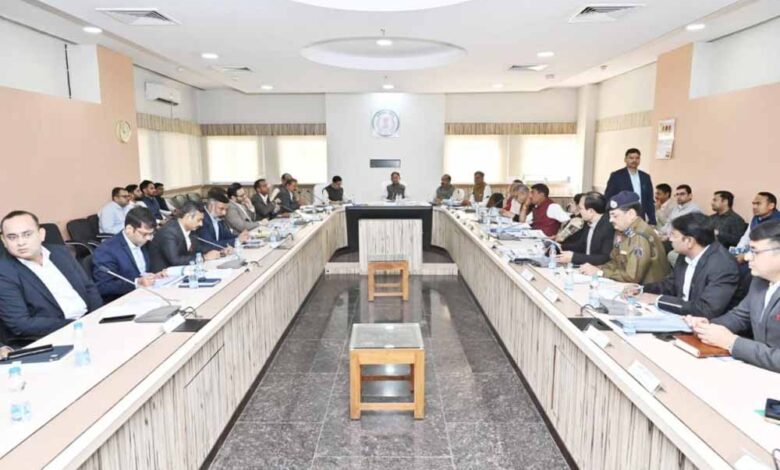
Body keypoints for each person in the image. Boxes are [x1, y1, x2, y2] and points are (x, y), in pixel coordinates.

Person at [685, 220, 780, 373]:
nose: (747, 257)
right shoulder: (759, 282)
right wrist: (707, 326)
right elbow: (739, 316)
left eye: (755, 252)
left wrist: (732, 343)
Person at [0, 210, 102, 346]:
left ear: (41, 234)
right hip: (54, 337)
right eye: (12, 237)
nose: (20, 242)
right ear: (4, 241)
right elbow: (20, 323)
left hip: (92, 322)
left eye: (27, 234)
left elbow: (89, 287)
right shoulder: (4, 272)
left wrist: (96, 317)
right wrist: (77, 325)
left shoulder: (60, 252)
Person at [638, 212, 739, 318]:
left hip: (705, 323)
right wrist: (641, 289)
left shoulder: (723, 265)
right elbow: (671, 284)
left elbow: (706, 309)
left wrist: (658, 300)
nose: (670, 239)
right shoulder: (685, 254)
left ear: (689, 241)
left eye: (674, 235)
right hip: (681, 316)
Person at [580, 191, 671, 284]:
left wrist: (600, 273)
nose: (611, 220)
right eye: (610, 216)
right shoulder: (621, 231)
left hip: (649, 289)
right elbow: (615, 261)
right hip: (629, 286)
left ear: (631, 214)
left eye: (615, 216)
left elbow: (633, 277)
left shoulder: (639, 236)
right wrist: (599, 268)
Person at [92, 207, 166, 302]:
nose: (149, 238)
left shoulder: (145, 242)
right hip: (125, 300)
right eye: (145, 234)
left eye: (151, 234)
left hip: (149, 294)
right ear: (129, 229)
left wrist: (156, 276)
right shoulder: (107, 250)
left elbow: (146, 270)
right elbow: (103, 286)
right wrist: (137, 282)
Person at [148, 201, 222, 272]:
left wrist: (220, 250)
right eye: (199, 220)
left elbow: (198, 248)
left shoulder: (191, 230)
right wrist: (204, 257)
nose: (201, 224)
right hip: (162, 275)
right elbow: (175, 260)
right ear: (188, 217)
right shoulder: (169, 232)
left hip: (181, 270)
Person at [556, 192, 615, 266]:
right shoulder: (589, 222)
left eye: (580, 208)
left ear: (591, 211)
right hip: (586, 267)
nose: (579, 211)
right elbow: (581, 245)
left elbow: (605, 257)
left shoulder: (608, 227)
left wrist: (574, 257)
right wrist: (559, 247)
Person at [604, 148, 656, 225]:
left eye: (637, 158)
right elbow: (609, 197)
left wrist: (652, 220)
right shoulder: (616, 176)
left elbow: (649, 201)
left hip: (640, 217)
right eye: (631, 158)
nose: (634, 160)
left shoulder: (645, 177)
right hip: (622, 216)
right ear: (625, 159)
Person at [734, 192, 780, 258]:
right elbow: (746, 237)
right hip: (751, 253)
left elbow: (770, 247)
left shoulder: (777, 222)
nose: (754, 207)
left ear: (771, 206)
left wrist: (745, 256)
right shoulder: (755, 218)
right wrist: (737, 252)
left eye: (758, 204)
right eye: (753, 204)